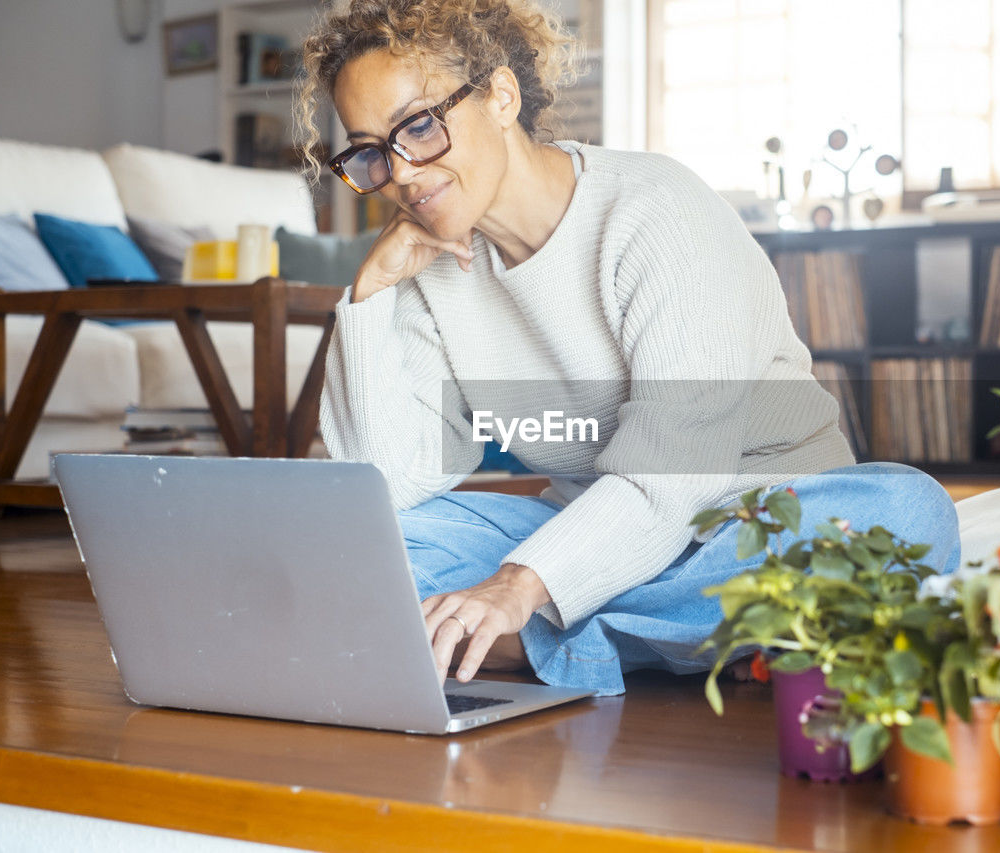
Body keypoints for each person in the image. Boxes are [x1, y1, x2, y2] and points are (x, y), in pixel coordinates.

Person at [297, 0, 960, 697]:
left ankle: (532, 641)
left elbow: (672, 480)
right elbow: (387, 484)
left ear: (500, 95)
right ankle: (693, 640)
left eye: (420, 126)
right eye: (370, 151)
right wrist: (368, 294)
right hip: (585, 533)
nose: (399, 173)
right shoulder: (428, 264)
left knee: (910, 513)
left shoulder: (657, 212)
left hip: (753, 519)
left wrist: (518, 585)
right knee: (350, 540)